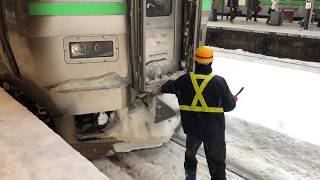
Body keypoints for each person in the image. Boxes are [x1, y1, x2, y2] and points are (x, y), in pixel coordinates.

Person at [161, 46, 237, 180]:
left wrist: (166, 84)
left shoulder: (184, 80)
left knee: (190, 156)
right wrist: (233, 100)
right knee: (217, 163)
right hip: (214, 133)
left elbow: (167, 87)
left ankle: (190, 177)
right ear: (211, 62)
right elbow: (229, 106)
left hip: (193, 130)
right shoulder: (219, 82)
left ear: (195, 62)